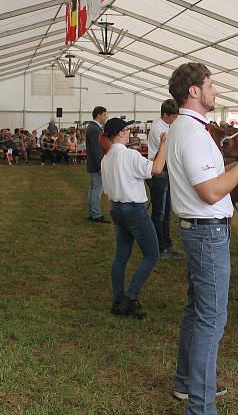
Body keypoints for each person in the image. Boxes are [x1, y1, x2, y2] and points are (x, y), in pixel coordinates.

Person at [167, 62, 238, 413]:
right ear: (194, 90)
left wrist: (236, 165)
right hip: (207, 233)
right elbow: (209, 192)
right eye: (210, 84)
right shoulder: (192, 133)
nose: (215, 90)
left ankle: (186, 384)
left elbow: (208, 180)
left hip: (198, 230)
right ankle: (200, 407)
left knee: (197, 311)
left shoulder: (186, 128)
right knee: (211, 320)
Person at [102, 117, 168, 319]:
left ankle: (118, 298)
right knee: (152, 254)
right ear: (121, 133)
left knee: (122, 255)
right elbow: (156, 169)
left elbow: (107, 193)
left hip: (117, 209)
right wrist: (165, 143)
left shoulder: (106, 159)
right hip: (134, 210)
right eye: (128, 129)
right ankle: (129, 299)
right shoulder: (129, 155)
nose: (130, 132)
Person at [148, 99, 181, 259]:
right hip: (159, 173)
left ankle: (167, 244)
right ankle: (158, 247)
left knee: (166, 212)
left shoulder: (167, 125)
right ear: (165, 115)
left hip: (165, 173)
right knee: (159, 213)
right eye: (173, 117)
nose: (175, 119)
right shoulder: (158, 129)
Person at [86, 106, 108, 223]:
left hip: (94, 164)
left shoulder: (94, 127)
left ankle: (92, 212)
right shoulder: (94, 129)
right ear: (98, 115)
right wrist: (100, 166)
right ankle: (95, 214)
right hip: (96, 165)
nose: (106, 117)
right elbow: (96, 149)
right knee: (97, 190)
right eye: (104, 115)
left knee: (93, 189)